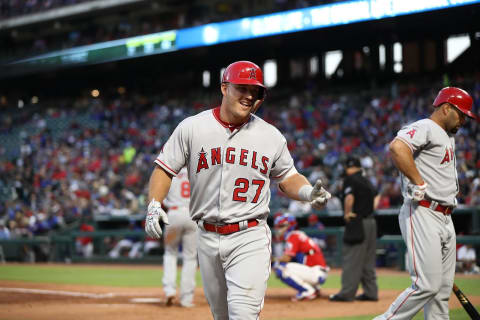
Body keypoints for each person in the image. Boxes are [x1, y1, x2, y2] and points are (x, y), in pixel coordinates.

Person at [145, 60, 331, 320]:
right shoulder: (192, 127)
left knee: (243, 315)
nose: (249, 96)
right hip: (206, 235)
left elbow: (288, 177)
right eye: (242, 88)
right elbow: (164, 169)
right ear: (224, 88)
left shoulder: (271, 136)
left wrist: (307, 192)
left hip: (249, 236)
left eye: (255, 91)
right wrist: (154, 204)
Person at [374, 87, 477, 319]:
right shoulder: (426, 126)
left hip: (445, 216)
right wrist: (418, 182)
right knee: (426, 286)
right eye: (461, 114)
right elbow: (397, 147)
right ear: (446, 108)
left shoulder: (447, 136)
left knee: (440, 293)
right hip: (424, 211)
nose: (463, 119)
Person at [329, 156, 379, 302]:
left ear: (348, 167)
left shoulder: (350, 179)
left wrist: (347, 214)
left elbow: (349, 197)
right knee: (368, 261)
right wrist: (368, 209)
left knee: (352, 258)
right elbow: (377, 196)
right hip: (371, 221)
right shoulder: (366, 180)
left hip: (357, 221)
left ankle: (347, 293)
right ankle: (371, 292)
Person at [162, 167, 198, 308]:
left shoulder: (170, 170)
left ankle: (169, 290)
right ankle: (186, 298)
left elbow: (162, 197)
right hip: (193, 216)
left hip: (173, 215)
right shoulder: (197, 170)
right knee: (190, 257)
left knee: (170, 253)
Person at [271, 213, 329, 301]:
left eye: (281, 226)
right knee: (285, 264)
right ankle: (314, 288)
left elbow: (286, 258)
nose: (278, 229)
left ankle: (308, 291)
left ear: (289, 226)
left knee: (280, 267)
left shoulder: (293, 236)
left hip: (316, 272)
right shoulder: (298, 234)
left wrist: (272, 259)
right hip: (318, 272)